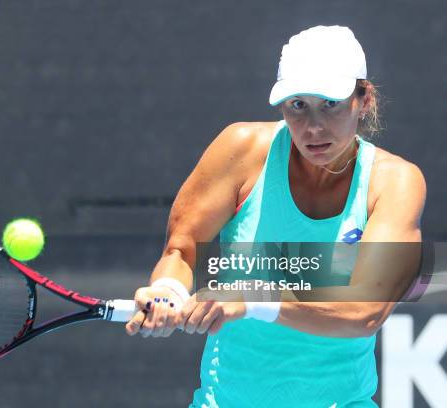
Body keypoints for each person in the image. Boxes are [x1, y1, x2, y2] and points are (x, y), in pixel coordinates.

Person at [125, 25, 426, 407]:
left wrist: (253, 298)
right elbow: (181, 252)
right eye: (297, 105)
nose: (313, 127)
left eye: (330, 104)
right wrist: (167, 293)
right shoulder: (240, 149)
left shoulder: (395, 181)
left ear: (363, 100)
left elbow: (364, 310)